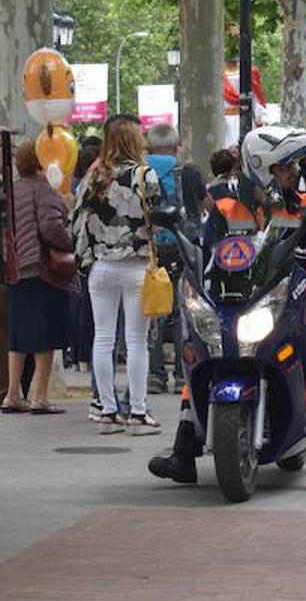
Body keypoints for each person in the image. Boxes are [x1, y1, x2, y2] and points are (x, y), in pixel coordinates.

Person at [149, 126, 306, 485]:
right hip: (233, 298)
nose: (293, 172)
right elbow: (202, 239)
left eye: (294, 165)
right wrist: (186, 250)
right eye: (285, 166)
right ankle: (183, 454)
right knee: (198, 352)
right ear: (263, 166)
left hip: (290, 299)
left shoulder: (304, 205)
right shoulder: (224, 202)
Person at [72, 115, 162, 436]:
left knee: (104, 338)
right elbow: (160, 217)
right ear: (135, 141)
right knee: (137, 342)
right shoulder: (144, 175)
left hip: (101, 267)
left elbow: (76, 215)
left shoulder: (95, 174)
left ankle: (107, 411)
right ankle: (137, 413)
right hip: (137, 266)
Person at [2, 141, 74, 415]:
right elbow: (52, 228)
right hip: (43, 268)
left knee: (18, 333)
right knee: (45, 333)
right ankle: (39, 396)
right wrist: (71, 238)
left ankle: (12, 394)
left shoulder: (13, 189)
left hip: (16, 267)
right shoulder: (45, 190)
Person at [144, 123, 207, 395]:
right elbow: (206, 206)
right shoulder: (189, 173)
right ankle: (183, 374)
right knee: (184, 311)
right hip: (184, 247)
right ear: (175, 146)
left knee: (153, 312)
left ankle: (156, 375)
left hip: (151, 250)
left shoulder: (141, 172)